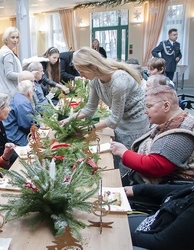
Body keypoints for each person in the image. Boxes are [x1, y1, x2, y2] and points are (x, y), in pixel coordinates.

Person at [60, 47, 149, 176]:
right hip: (121, 123)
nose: (80, 75)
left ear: (91, 66)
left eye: (81, 71)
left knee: (129, 166)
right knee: (118, 160)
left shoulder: (119, 82)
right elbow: (90, 108)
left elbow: (113, 120)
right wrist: (70, 119)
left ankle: (128, 191)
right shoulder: (95, 81)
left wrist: (87, 130)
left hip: (135, 127)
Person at [110, 85, 194, 185]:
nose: (145, 111)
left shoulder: (181, 132)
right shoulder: (170, 121)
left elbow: (155, 167)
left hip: (163, 190)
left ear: (166, 106)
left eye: (149, 106)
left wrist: (123, 153)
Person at [126, 183, 194, 249]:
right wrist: (137, 189)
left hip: (159, 242)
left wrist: (123, 235)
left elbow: (162, 242)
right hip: (155, 225)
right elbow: (178, 189)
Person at [3, 80, 37, 146]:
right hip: (15, 136)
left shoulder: (17, 96)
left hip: (12, 132)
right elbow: (28, 125)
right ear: (29, 93)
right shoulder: (22, 103)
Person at [0, 26, 23, 97]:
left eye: (17, 37)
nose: (15, 40)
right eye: (13, 37)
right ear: (6, 39)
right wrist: (24, 75)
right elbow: (9, 74)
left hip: (4, 91)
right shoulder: (7, 53)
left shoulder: (4, 50)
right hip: (8, 92)